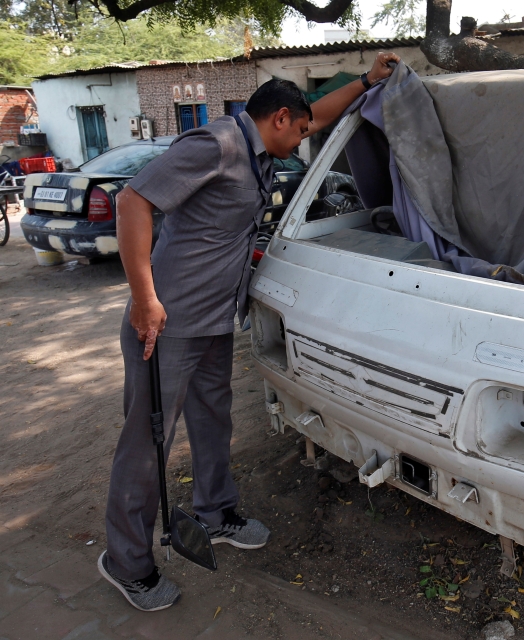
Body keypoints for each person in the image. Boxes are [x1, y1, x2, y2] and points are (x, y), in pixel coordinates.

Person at [98, 52, 401, 612]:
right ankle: (125, 560)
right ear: (279, 118)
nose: (306, 137)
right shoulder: (216, 145)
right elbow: (132, 201)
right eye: (301, 127)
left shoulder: (262, 143)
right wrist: (144, 299)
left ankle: (216, 513)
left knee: (213, 420)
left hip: (214, 320)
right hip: (165, 322)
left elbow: (320, 114)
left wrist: (365, 81)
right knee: (147, 443)